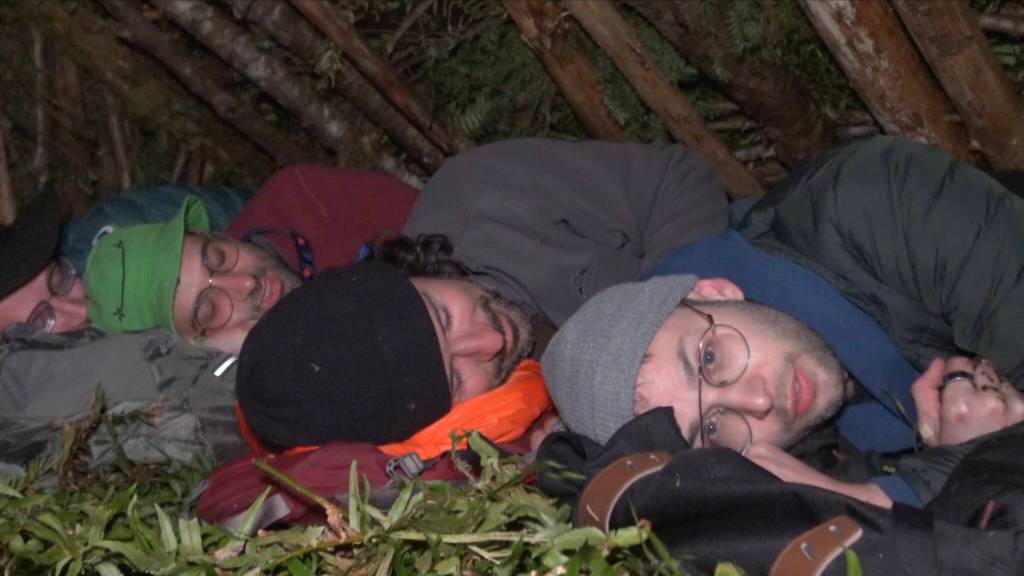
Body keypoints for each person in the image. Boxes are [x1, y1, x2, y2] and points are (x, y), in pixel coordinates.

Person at [540, 273, 1024, 510]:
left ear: (713, 291)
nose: (758, 402)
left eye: (710, 358)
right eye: (712, 429)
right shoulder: (815, 463)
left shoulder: (876, 211)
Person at [1, 182, 252, 337]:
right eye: (40, 323)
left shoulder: (124, 227)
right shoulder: (36, 413)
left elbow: (262, 211)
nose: (81, 309)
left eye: (57, 279)